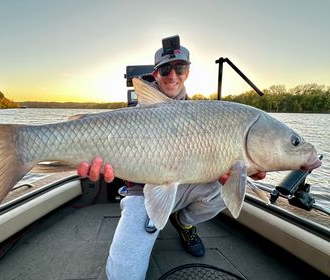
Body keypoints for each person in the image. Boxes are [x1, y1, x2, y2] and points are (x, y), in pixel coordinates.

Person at [77, 36, 266, 280]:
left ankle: (184, 221)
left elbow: (232, 168)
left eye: (180, 68)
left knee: (233, 187)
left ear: (188, 72)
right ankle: (151, 218)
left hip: (189, 185)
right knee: (123, 275)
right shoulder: (139, 112)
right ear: (155, 74)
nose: (172, 75)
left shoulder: (208, 114)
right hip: (144, 190)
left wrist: (246, 168)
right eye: (165, 69)